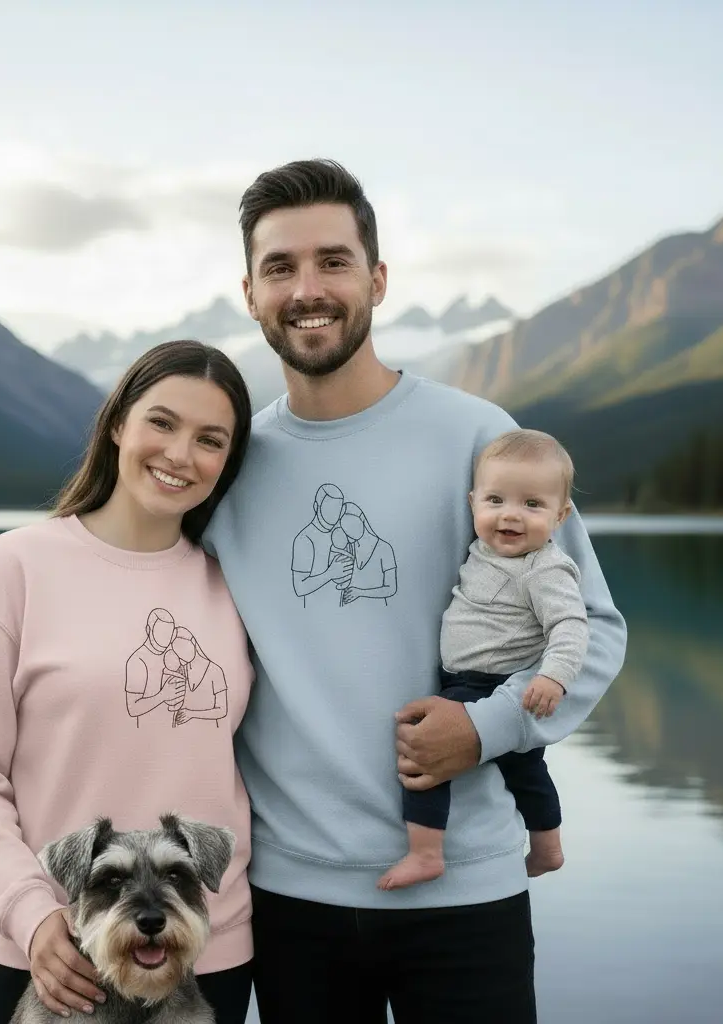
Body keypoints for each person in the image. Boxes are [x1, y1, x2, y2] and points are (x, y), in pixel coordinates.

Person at [202, 159, 627, 1023]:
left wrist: (485, 727)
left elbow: (593, 627)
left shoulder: (481, 437)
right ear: (249, 293)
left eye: (333, 261)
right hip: (287, 901)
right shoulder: (228, 463)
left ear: (378, 279)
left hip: (465, 892)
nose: (307, 288)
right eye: (280, 267)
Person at [0, 340, 256, 1024]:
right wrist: (31, 914)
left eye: (210, 439)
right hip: (50, 962)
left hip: (207, 959)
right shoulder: (14, 568)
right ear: (117, 425)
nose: (179, 454)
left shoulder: (239, 586)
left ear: (228, 461)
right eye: (161, 423)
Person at [378, 427, 589, 891]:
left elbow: (571, 626)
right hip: (466, 677)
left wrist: (553, 677)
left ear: (561, 515)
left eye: (532, 505)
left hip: (491, 683)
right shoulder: (487, 548)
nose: (510, 516)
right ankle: (548, 848)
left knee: (424, 759)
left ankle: (426, 853)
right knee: (527, 772)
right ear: (473, 502)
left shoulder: (545, 567)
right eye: (496, 501)